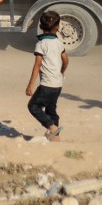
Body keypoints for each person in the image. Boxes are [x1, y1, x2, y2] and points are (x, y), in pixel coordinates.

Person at [25, 10, 69, 142]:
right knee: (51, 109)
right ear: (58, 27)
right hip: (58, 84)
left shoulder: (41, 44)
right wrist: (61, 71)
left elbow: (37, 65)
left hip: (47, 85)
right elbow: (66, 60)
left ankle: (52, 127)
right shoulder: (59, 43)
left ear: (41, 27)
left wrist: (30, 84)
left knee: (33, 107)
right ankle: (55, 137)